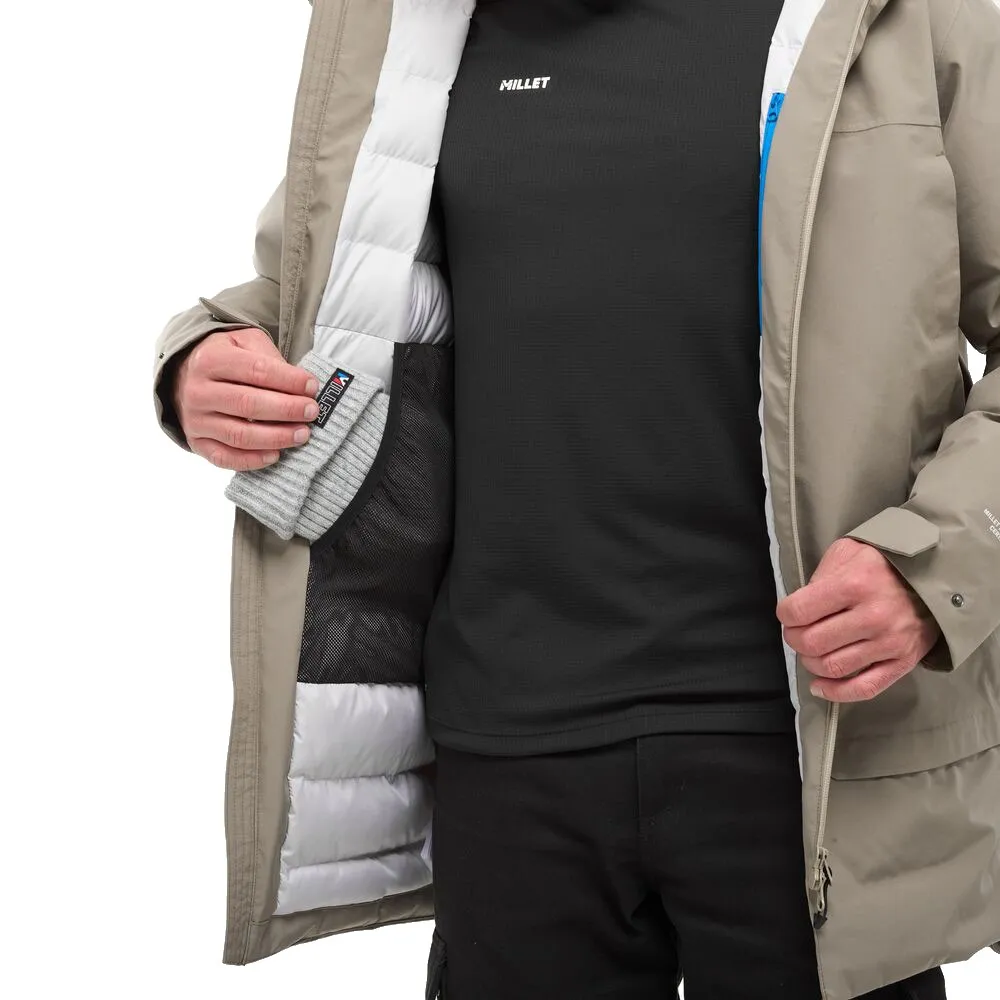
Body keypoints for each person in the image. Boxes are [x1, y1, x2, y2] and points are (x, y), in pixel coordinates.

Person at [153, 1, 1000, 997]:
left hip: (814, 743)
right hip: (509, 748)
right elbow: (334, 287)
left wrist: (935, 561)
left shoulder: (899, 17)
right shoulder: (418, 25)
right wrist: (202, 361)